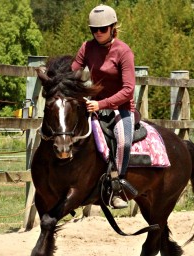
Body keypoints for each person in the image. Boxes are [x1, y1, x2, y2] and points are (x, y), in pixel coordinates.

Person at [71, 4, 135, 209]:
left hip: (121, 109)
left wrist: (101, 104)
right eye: (93, 29)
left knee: (123, 142)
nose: (98, 33)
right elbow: (73, 73)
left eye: (102, 29)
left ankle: (118, 188)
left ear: (112, 27)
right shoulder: (86, 48)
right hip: (94, 107)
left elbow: (128, 90)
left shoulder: (123, 52)